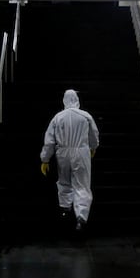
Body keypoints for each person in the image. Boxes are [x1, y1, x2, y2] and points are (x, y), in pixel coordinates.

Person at [40, 89, 100, 232]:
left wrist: (45, 159)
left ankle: (65, 209)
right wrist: (93, 147)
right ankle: (81, 217)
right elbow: (94, 134)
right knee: (82, 184)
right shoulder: (85, 116)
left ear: (64, 100)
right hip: (81, 151)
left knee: (64, 181)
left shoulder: (58, 117)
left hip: (63, 152)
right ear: (77, 99)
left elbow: (49, 141)